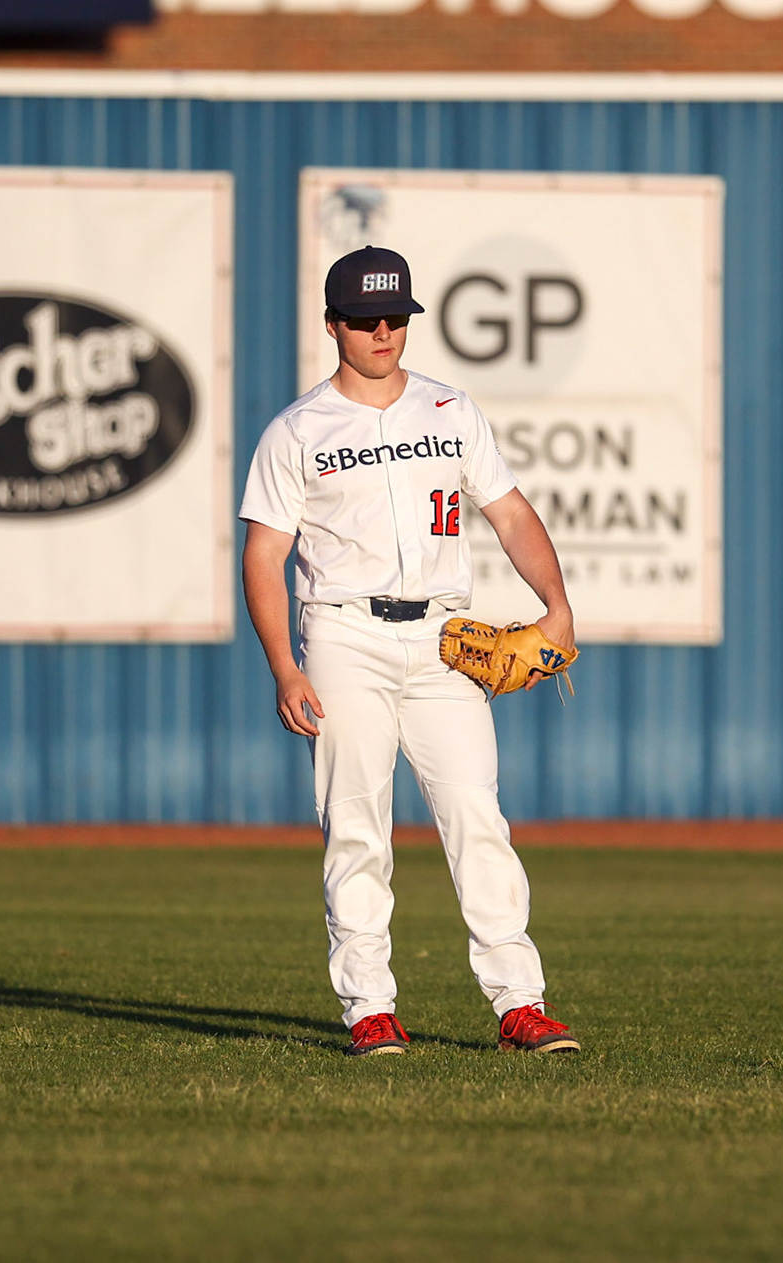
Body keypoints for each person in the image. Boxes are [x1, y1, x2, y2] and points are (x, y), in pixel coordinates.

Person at [239, 245, 581, 1057]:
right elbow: (263, 557)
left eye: (395, 316)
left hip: (442, 637)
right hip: (344, 634)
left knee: (476, 813)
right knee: (356, 823)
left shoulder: (451, 410)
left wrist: (557, 606)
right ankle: (368, 1006)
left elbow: (513, 515)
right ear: (334, 326)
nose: (383, 331)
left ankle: (520, 1003)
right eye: (364, 319)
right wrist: (284, 665)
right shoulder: (298, 429)